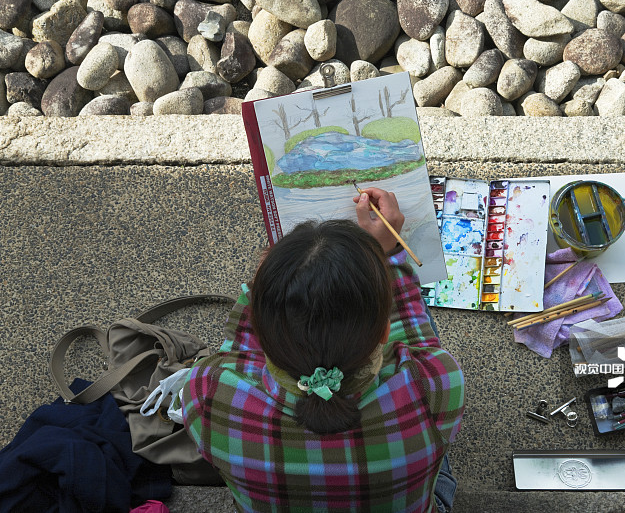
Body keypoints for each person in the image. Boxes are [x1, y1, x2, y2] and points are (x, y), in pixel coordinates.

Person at [182, 187, 465, 512]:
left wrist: (259, 289)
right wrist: (390, 256)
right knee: (431, 428)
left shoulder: (206, 394)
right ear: (385, 333)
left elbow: (235, 355)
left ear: (264, 336)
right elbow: (420, 346)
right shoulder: (436, 385)